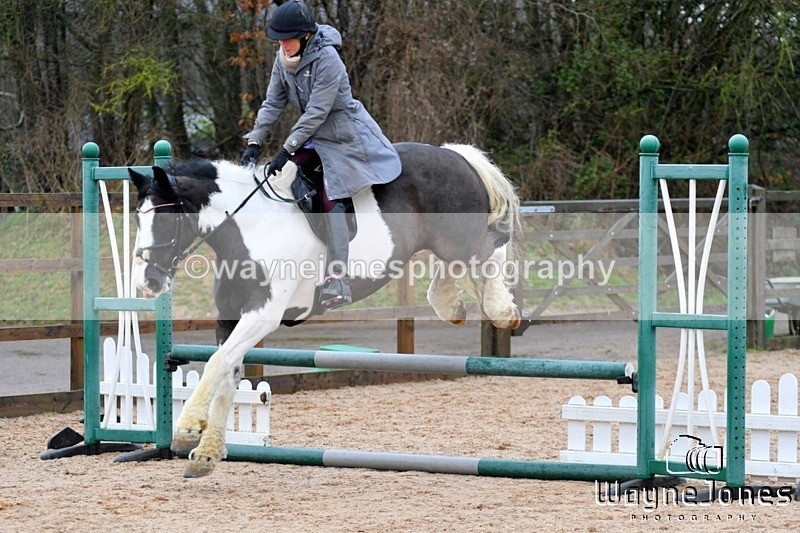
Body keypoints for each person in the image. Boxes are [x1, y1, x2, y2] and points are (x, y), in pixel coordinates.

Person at [242, 0, 401, 310]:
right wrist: (255, 142)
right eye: (279, 40)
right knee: (284, 183)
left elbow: (317, 111)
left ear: (305, 36)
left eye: (288, 39)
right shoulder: (283, 59)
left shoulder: (328, 59)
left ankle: (338, 278)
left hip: (343, 137)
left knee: (331, 193)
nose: (283, 45)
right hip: (313, 137)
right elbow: (272, 103)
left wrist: (286, 148)